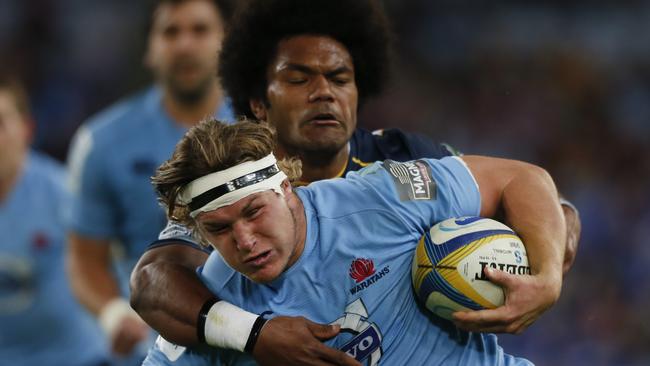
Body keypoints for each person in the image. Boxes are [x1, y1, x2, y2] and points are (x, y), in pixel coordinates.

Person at [130, 0, 581, 364]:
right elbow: (151, 285)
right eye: (298, 78)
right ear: (259, 103)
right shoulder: (221, 192)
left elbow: (536, 196)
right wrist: (253, 334)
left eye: (338, 78)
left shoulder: (397, 169)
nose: (323, 91)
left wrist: (540, 275)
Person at [143, 119, 565, 365]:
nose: (245, 241)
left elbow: (521, 179)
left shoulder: (381, 196)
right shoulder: (214, 302)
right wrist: (252, 335)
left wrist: (546, 279)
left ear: (285, 187)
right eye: (219, 230)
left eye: (254, 212)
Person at [65, 0, 234, 361]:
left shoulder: (267, 128)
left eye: (200, 30)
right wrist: (114, 313)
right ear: (149, 50)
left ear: (227, 42)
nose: (185, 45)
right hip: (150, 346)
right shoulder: (101, 142)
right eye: (171, 32)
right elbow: (84, 258)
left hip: (250, 335)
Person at [0, 75, 110, 365]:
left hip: (75, 359)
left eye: (0, 124)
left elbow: (113, 272)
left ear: (27, 129)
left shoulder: (67, 196)